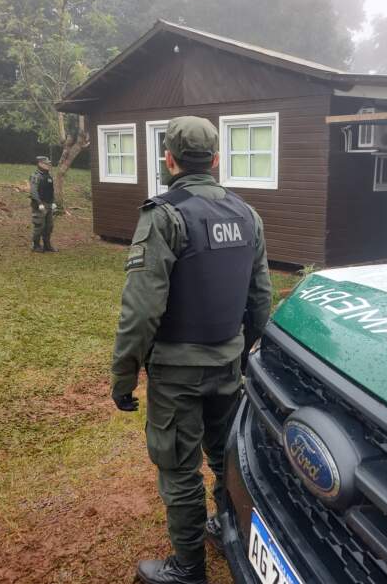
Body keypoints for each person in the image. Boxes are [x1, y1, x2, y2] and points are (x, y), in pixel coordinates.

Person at [109, 116, 272, 584]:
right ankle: (225, 528)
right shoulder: (248, 216)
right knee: (224, 456)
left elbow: (140, 311)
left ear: (170, 159)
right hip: (228, 365)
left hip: (178, 372)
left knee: (179, 467)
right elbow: (260, 298)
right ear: (217, 160)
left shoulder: (164, 215)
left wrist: (123, 376)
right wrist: (246, 360)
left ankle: (188, 569)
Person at [29, 156, 57, 252]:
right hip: (40, 205)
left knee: (49, 226)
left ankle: (47, 245)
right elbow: (33, 191)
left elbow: (51, 190)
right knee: (39, 225)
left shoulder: (49, 176)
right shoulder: (35, 176)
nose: (48, 165)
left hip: (49, 204)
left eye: (49, 163)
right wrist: (39, 203)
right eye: (46, 163)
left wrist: (53, 202)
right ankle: (36, 245)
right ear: (40, 164)